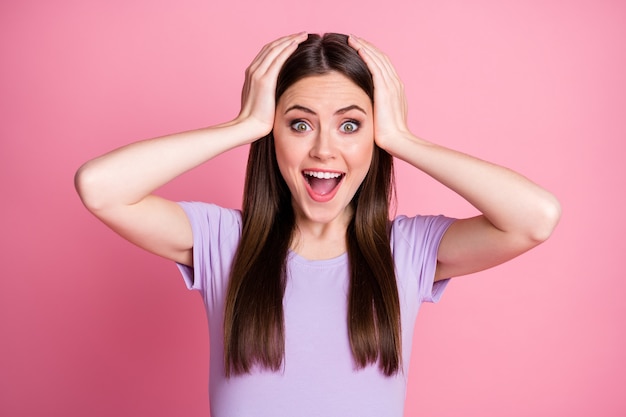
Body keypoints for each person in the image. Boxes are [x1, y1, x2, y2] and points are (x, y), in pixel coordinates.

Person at [74, 32, 561, 416]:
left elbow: (534, 218)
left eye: (350, 125)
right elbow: (100, 186)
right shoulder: (224, 242)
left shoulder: (406, 251)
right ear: (273, 135)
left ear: (375, 138)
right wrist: (242, 126)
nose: (324, 149)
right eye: (299, 123)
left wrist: (404, 138)